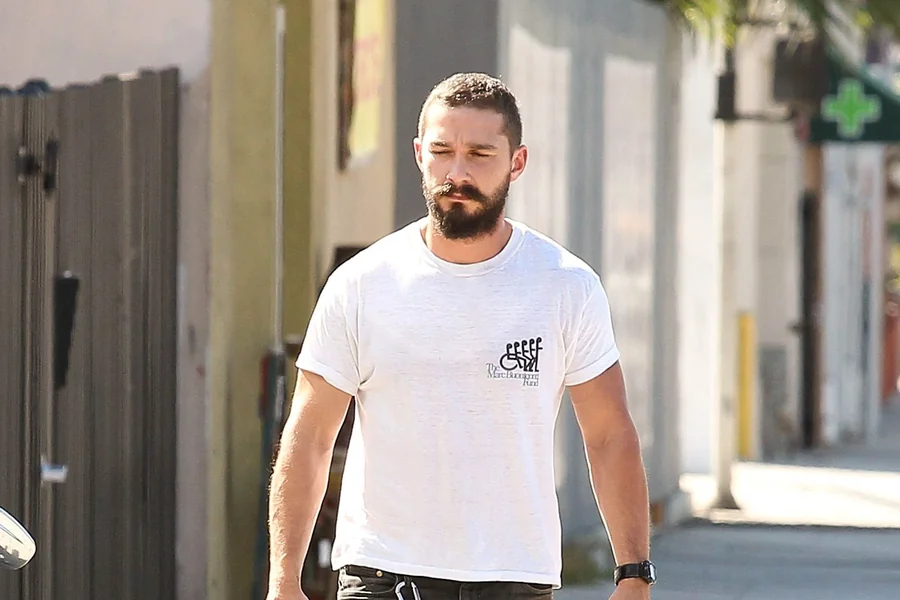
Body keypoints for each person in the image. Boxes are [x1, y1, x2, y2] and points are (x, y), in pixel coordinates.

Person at [266, 72, 656, 600]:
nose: (457, 172)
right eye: (442, 151)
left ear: (516, 162)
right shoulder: (361, 285)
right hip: (382, 574)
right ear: (418, 154)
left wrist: (633, 573)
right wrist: (283, 579)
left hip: (515, 577)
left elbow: (609, 435)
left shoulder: (566, 286)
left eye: (479, 153)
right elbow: (309, 436)